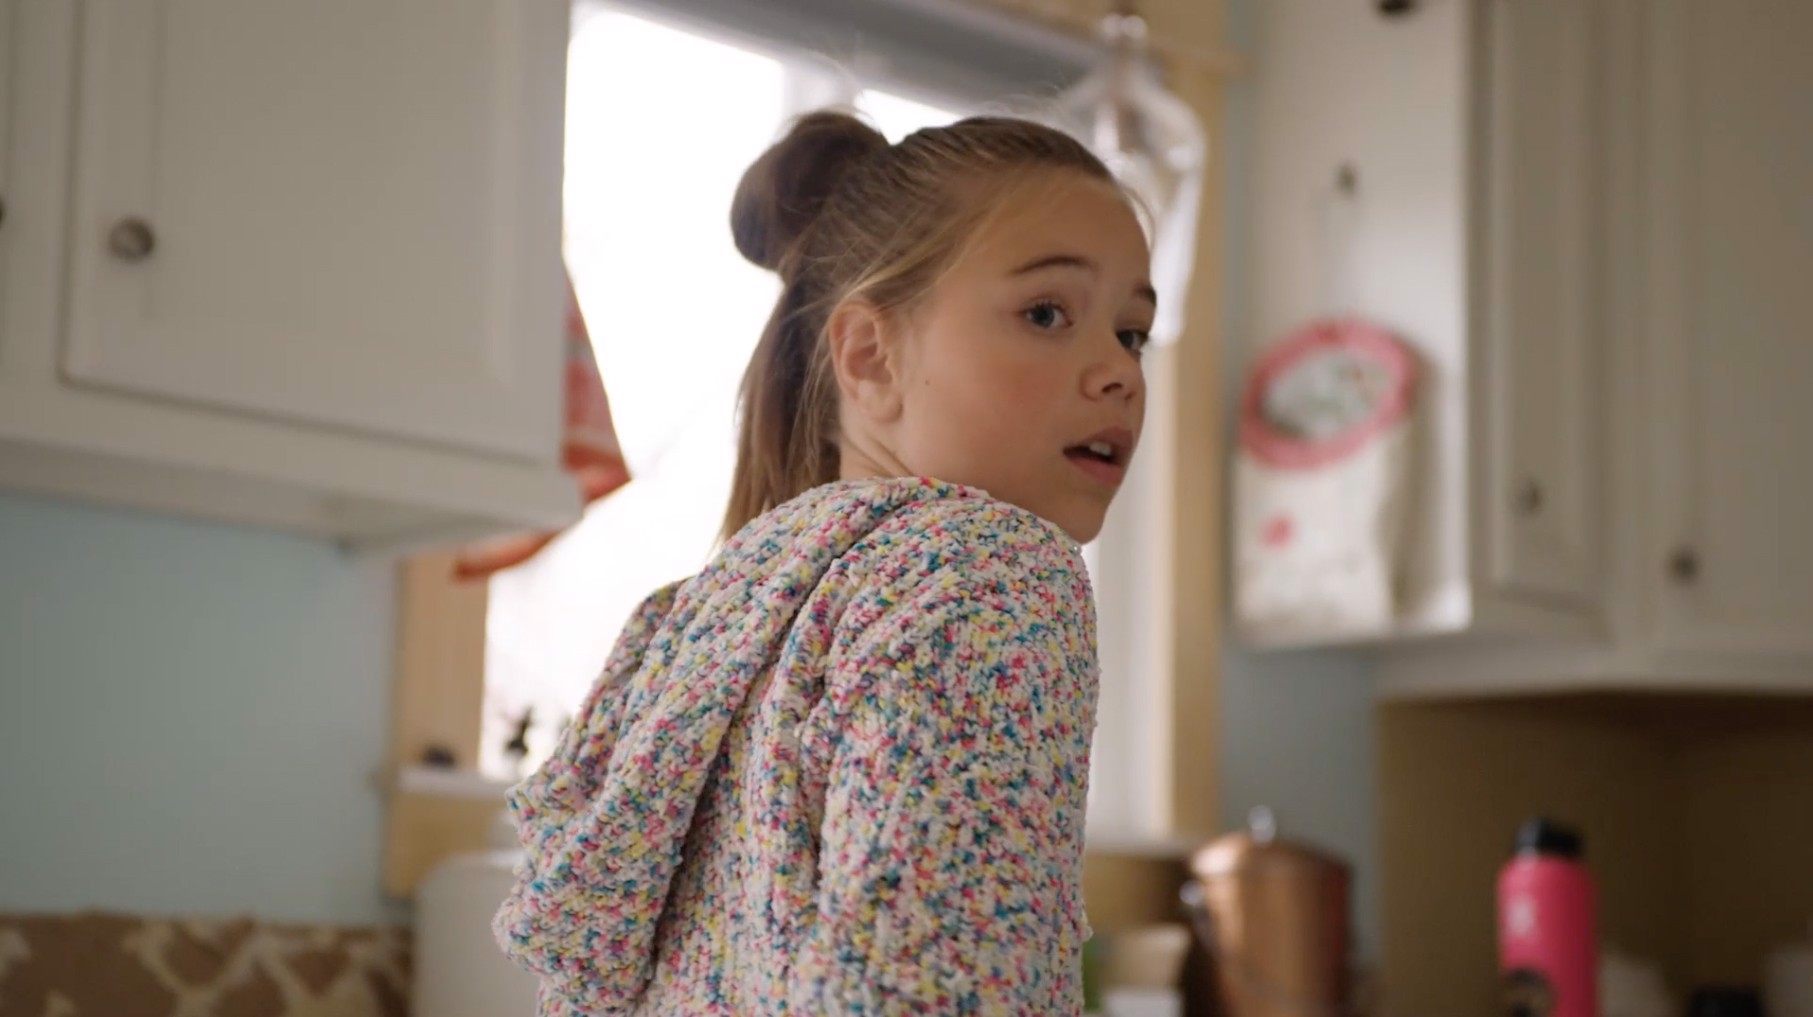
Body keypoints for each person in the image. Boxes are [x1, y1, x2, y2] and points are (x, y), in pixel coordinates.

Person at [493, 109, 1154, 1015]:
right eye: (1046, 313)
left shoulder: (703, 615)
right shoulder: (989, 569)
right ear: (870, 357)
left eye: (1131, 332)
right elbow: (926, 986)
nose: (1119, 372)